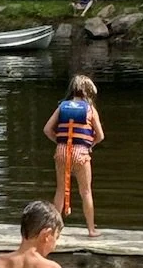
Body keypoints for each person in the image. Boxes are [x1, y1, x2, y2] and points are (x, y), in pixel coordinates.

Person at [43, 74, 104, 236]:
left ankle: (54, 231)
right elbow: (100, 136)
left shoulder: (62, 106)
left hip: (62, 150)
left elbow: (47, 129)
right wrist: (90, 144)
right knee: (86, 192)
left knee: (60, 190)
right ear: (87, 92)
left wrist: (59, 141)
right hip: (81, 152)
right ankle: (91, 230)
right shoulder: (90, 110)